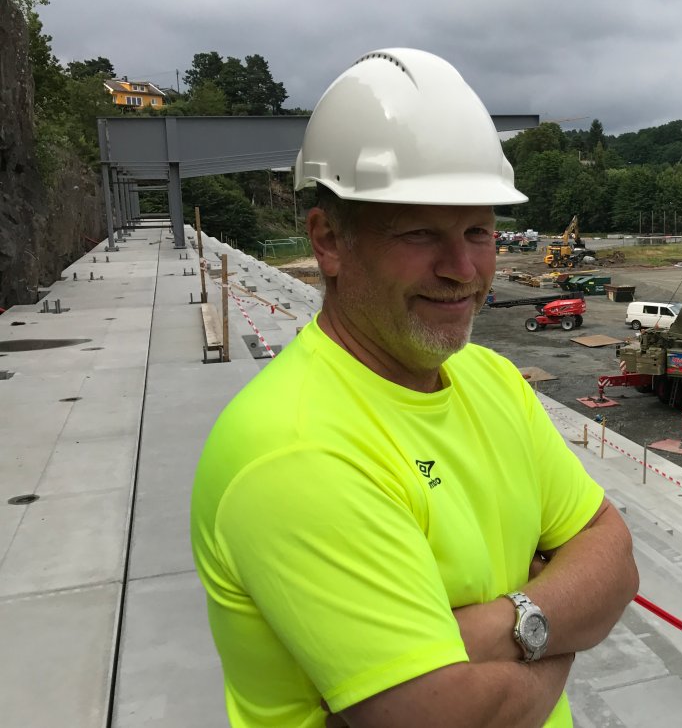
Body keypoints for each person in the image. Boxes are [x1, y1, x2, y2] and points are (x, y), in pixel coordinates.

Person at [190, 48, 639, 728]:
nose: (462, 269)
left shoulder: (487, 379)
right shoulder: (298, 451)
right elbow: (454, 719)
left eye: (478, 231)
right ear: (329, 241)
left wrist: (511, 628)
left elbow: (614, 558)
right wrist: (561, 623)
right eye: (420, 232)